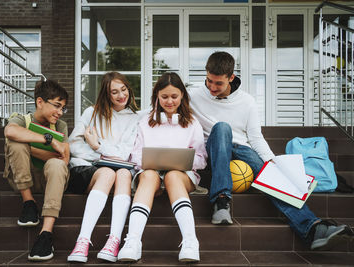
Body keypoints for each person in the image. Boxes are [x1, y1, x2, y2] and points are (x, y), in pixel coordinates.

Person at [188, 51, 353, 250]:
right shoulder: (193, 95)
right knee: (223, 127)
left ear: (231, 77)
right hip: (213, 147)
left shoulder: (247, 101)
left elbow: (256, 137)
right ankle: (221, 201)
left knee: (271, 174)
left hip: (241, 148)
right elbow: (164, 107)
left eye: (218, 83)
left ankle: (312, 228)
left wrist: (273, 162)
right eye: (209, 81)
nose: (212, 87)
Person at [117, 72, 207, 262]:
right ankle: (133, 242)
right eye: (164, 96)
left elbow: (201, 159)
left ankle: (191, 242)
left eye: (174, 96)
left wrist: (182, 161)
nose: (169, 101)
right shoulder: (145, 121)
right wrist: (154, 163)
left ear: (182, 95)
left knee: (173, 175)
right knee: (149, 175)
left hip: (182, 176)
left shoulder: (192, 122)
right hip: (151, 176)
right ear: (156, 96)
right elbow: (136, 156)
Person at [66, 72, 139, 263]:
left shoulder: (134, 119)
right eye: (114, 92)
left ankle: (113, 241)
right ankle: (82, 240)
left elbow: (124, 154)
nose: (121, 95)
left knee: (123, 173)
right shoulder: (92, 112)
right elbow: (74, 145)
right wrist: (100, 155)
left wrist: (97, 145)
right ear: (106, 95)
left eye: (123, 89)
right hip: (86, 169)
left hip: (119, 169)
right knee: (107, 172)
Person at [3, 79, 70, 261]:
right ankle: (29, 203)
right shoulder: (21, 119)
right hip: (23, 179)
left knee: (57, 164)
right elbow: (10, 132)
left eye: (63, 108)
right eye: (57, 106)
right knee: (16, 143)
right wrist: (48, 141)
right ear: (40, 102)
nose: (60, 112)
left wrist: (31, 147)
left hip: (50, 180)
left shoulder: (61, 126)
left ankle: (45, 234)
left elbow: (64, 159)